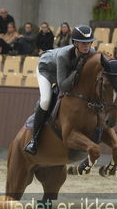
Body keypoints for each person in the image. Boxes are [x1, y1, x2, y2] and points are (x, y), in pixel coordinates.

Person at [24, 25, 95, 155]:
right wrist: (77, 71)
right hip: (46, 69)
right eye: (83, 43)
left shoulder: (92, 52)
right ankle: (34, 140)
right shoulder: (63, 56)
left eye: (89, 42)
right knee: (46, 100)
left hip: (65, 73)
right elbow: (63, 86)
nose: (87, 46)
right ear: (75, 43)